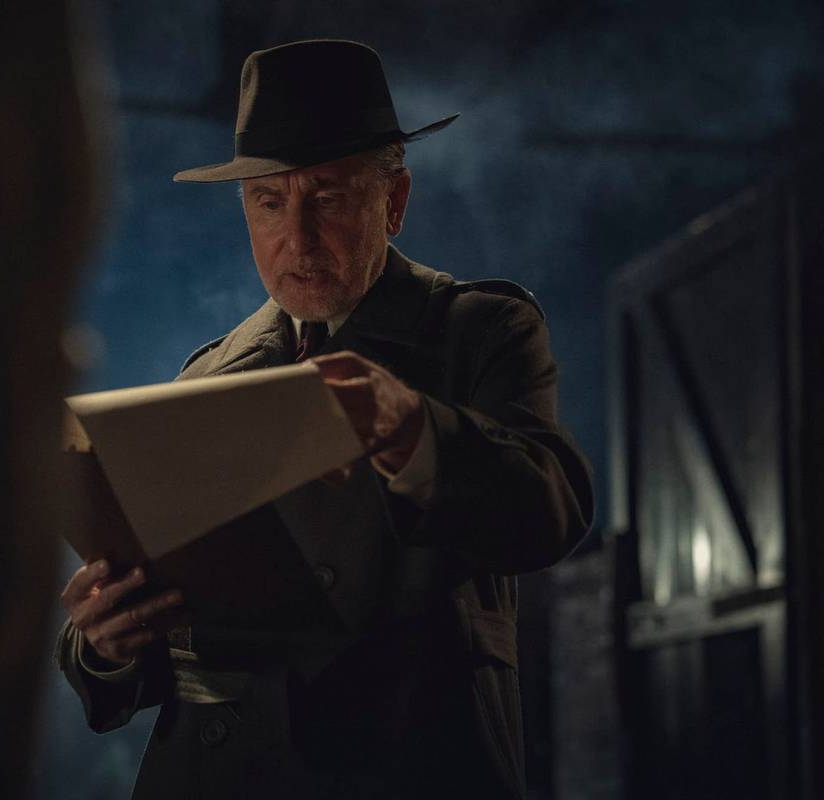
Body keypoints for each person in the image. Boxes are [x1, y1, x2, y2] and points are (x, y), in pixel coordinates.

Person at [55, 39, 593, 799]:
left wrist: (411, 429)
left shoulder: (481, 332)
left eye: (329, 198)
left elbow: (548, 512)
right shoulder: (207, 377)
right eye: (268, 202)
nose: (297, 239)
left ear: (394, 202)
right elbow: (159, 637)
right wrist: (106, 644)